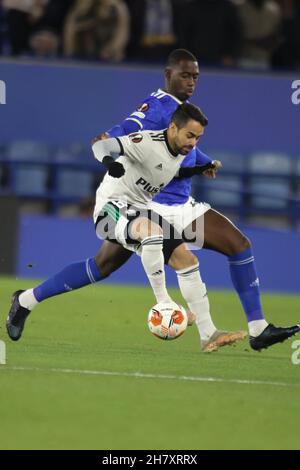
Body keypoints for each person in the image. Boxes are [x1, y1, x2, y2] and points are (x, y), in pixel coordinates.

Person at [91, 48, 299, 351]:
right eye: (185, 75)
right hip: (153, 207)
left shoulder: (181, 112)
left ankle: (249, 329)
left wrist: (203, 165)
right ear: (168, 74)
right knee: (103, 266)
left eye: (195, 77)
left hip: (180, 207)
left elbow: (178, 154)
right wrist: (107, 147)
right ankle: (30, 299)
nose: (191, 82)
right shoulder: (158, 108)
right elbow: (121, 133)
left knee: (235, 246)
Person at [6, 104, 221, 349]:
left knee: (184, 260)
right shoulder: (146, 142)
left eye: (198, 138)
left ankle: (25, 300)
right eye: (190, 135)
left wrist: (201, 168)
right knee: (152, 235)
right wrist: (110, 162)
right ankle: (164, 304)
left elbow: (166, 169)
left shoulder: (180, 151)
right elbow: (101, 145)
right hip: (111, 209)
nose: (193, 143)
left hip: (140, 210)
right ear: (173, 128)